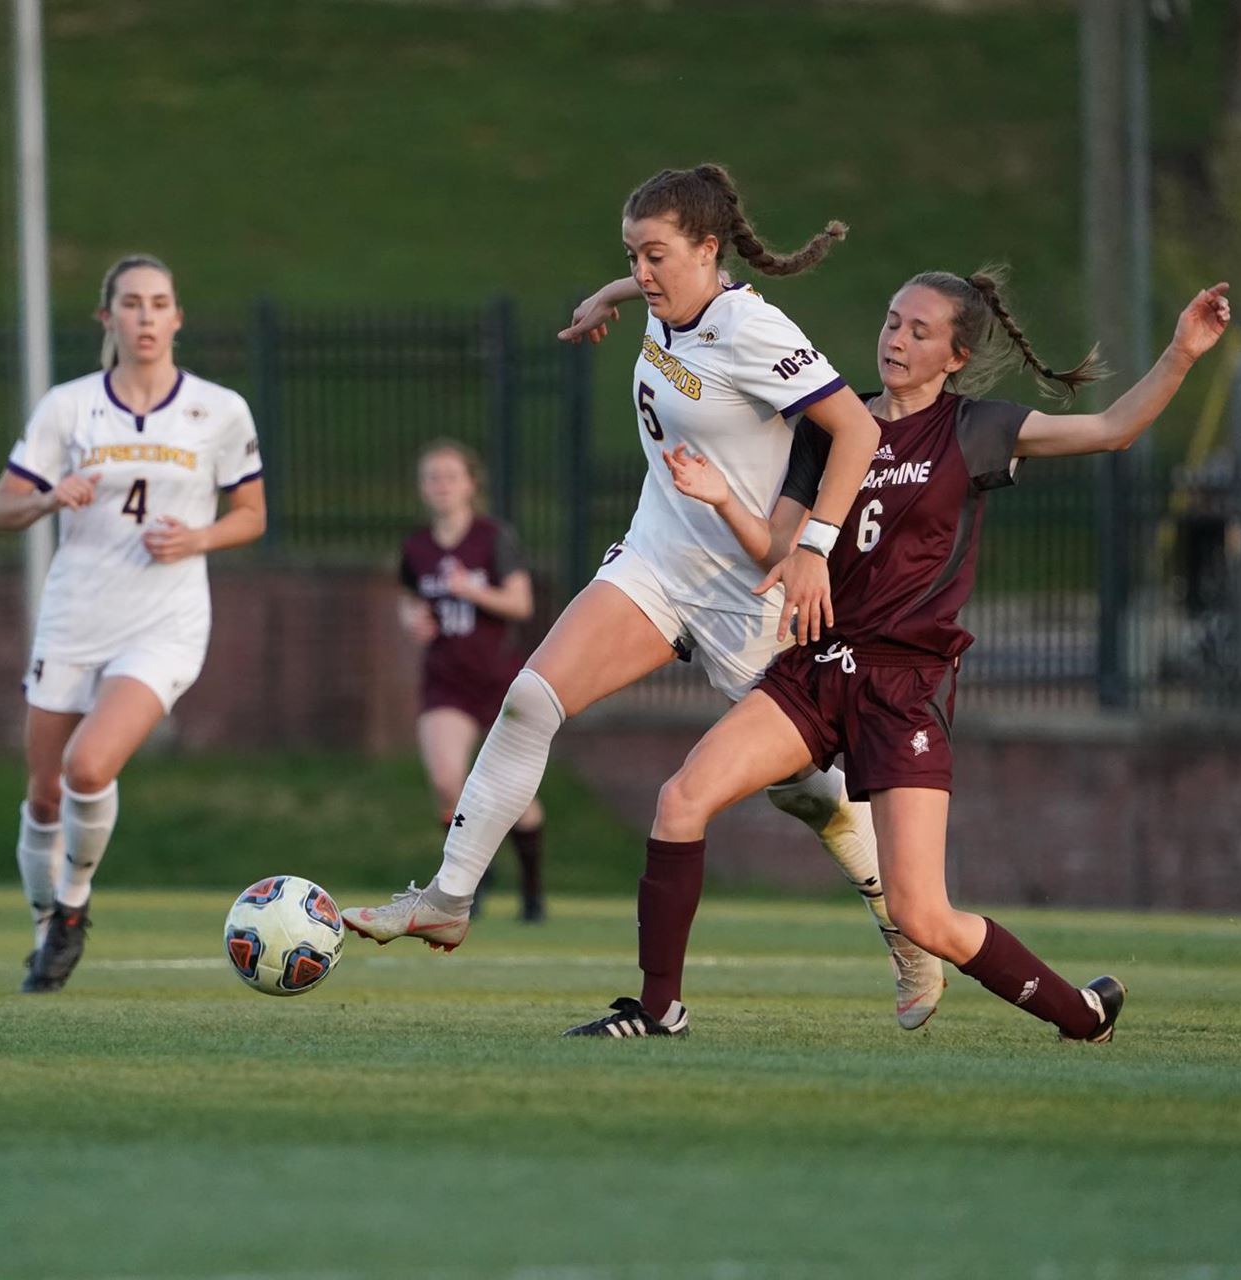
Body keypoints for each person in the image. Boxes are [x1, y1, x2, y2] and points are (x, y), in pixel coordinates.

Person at [344, 164, 952, 1031]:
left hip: (748, 595)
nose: (643, 273)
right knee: (529, 701)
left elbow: (856, 428)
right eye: (631, 255)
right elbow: (646, 288)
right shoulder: (671, 299)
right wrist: (607, 299)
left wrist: (813, 545)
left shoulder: (753, 329)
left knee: (812, 793)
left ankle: (907, 926)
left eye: (656, 256)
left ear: (709, 251)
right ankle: (448, 897)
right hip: (657, 565)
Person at [559, 267, 1232, 1040]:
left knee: (922, 913)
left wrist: (1183, 351)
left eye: (919, 331)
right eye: (890, 322)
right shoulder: (834, 423)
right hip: (816, 666)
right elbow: (778, 548)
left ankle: (1079, 1014)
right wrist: (719, 499)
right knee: (681, 801)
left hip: (906, 684)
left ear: (956, 355)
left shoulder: (975, 430)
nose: (896, 340)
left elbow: (1112, 429)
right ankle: (656, 1009)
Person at [0, 254, 267, 993]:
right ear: (107, 318)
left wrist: (196, 538)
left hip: (165, 622)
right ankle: (47, 929)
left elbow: (253, 516)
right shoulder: (69, 407)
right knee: (44, 793)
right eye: (132, 304)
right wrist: (49, 499)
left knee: (88, 766)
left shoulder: (219, 409)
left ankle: (72, 912)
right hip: (76, 614)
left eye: (160, 303)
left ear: (178, 318)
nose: (146, 316)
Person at [398, 439, 545, 920]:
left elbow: (521, 604)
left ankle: (531, 889)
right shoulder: (416, 547)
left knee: (514, 797)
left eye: (450, 476)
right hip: (446, 681)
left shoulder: (492, 538)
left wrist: (472, 590)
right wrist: (413, 618)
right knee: (447, 782)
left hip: (500, 681)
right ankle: (466, 884)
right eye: (431, 477)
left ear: (470, 484)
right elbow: (409, 599)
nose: (440, 485)